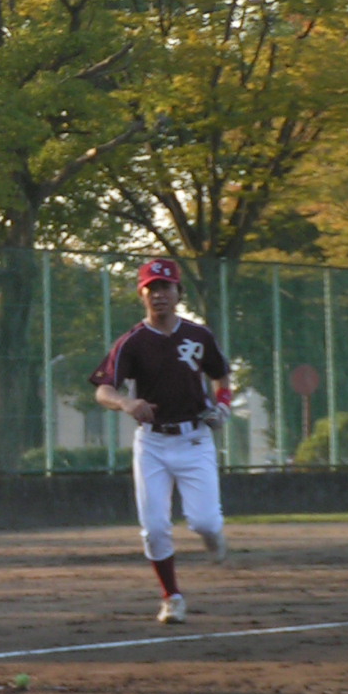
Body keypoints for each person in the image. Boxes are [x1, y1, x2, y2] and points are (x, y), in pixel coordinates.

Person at [90, 257, 233, 624]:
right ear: (142, 295)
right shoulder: (133, 341)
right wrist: (126, 403)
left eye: (166, 287)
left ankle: (214, 537)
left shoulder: (199, 336)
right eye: (151, 288)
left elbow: (221, 376)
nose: (159, 294)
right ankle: (172, 597)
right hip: (152, 444)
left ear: (178, 292)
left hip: (195, 439)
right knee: (154, 528)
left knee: (205, 523)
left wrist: (222, 406)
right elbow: (103, 390)